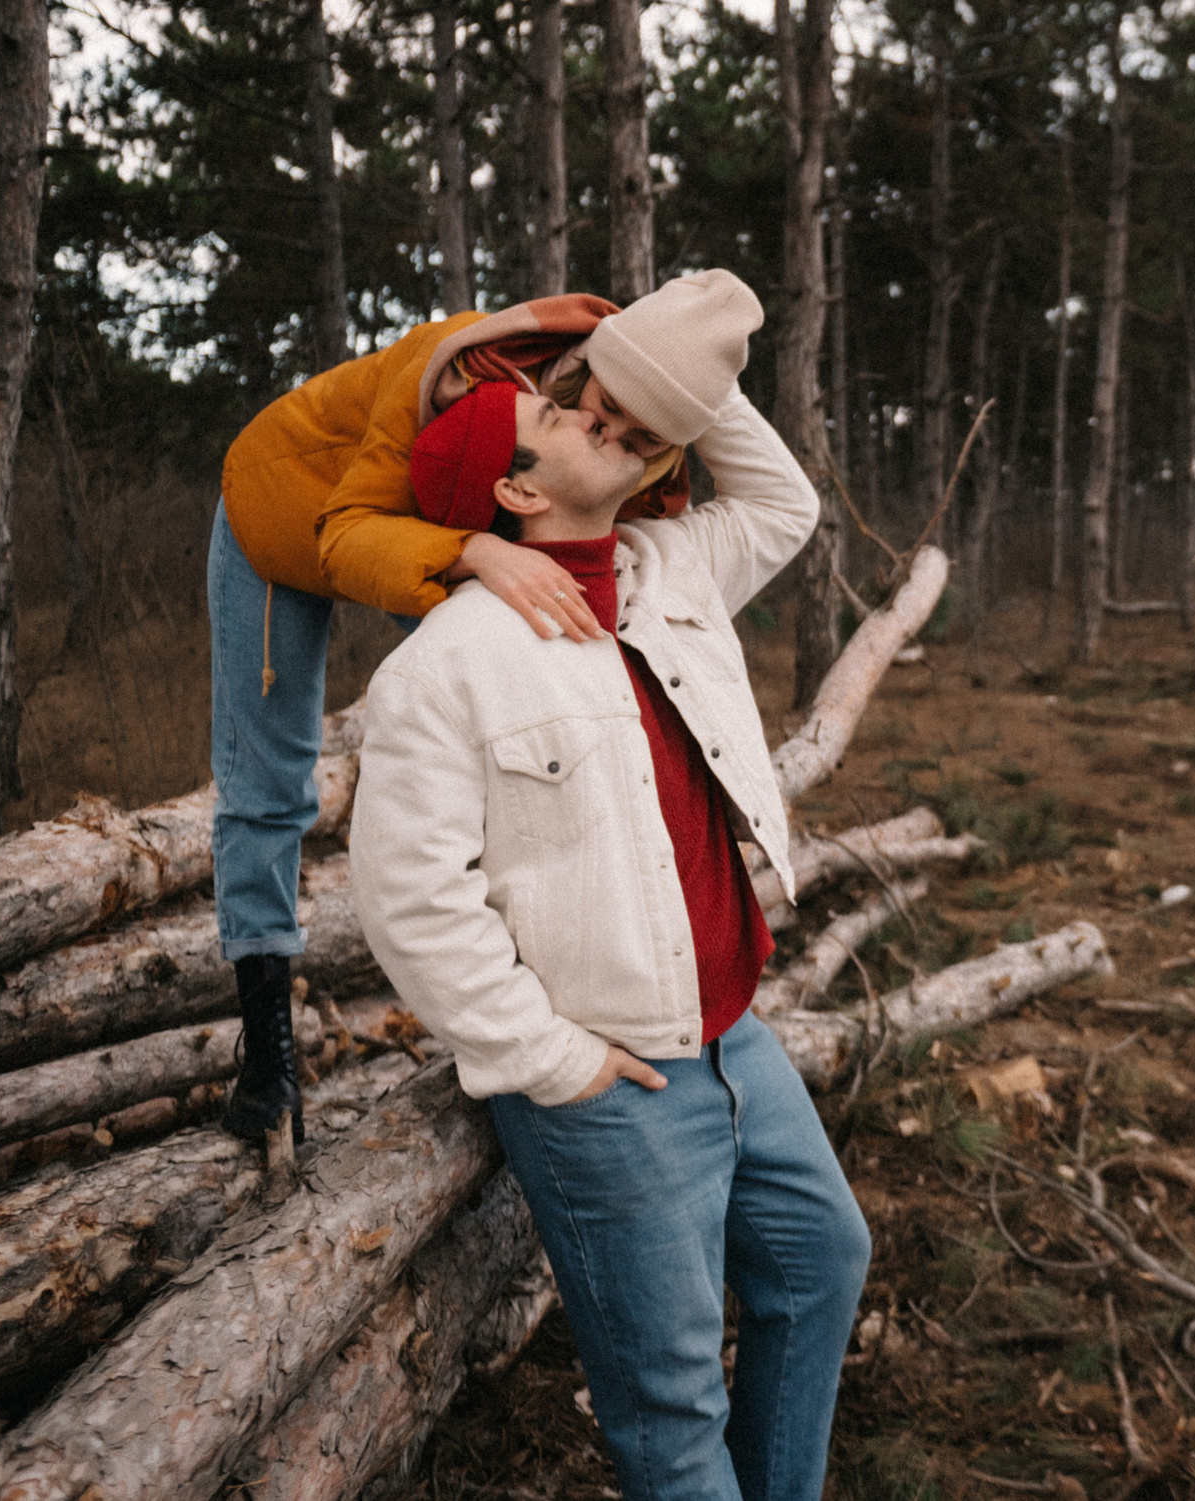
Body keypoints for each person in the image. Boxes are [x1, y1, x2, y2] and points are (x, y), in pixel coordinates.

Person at [347, 271, 869, 1501]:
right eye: (564, 418)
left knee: (819, 1262)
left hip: (735, 1032)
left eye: (603, 408)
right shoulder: (448, 667)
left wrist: (641, 358)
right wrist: (548, 1056)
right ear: (516, 491)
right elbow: (410, 896)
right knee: (670, 1399)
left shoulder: (671, 565)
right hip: (615, 1079)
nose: (587, 409)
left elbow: (785, 499)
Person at [210, 292, 689, 1147]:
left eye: (631, 424)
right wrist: (473, 550)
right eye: (597, 413)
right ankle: (269, 1054)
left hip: (459, 511)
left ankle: (555, 980)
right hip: (284, 517)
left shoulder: (626, 400)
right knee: (268, 781)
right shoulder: (443, 360)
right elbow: (344, 533)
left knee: (521, 713)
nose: (608, 426)